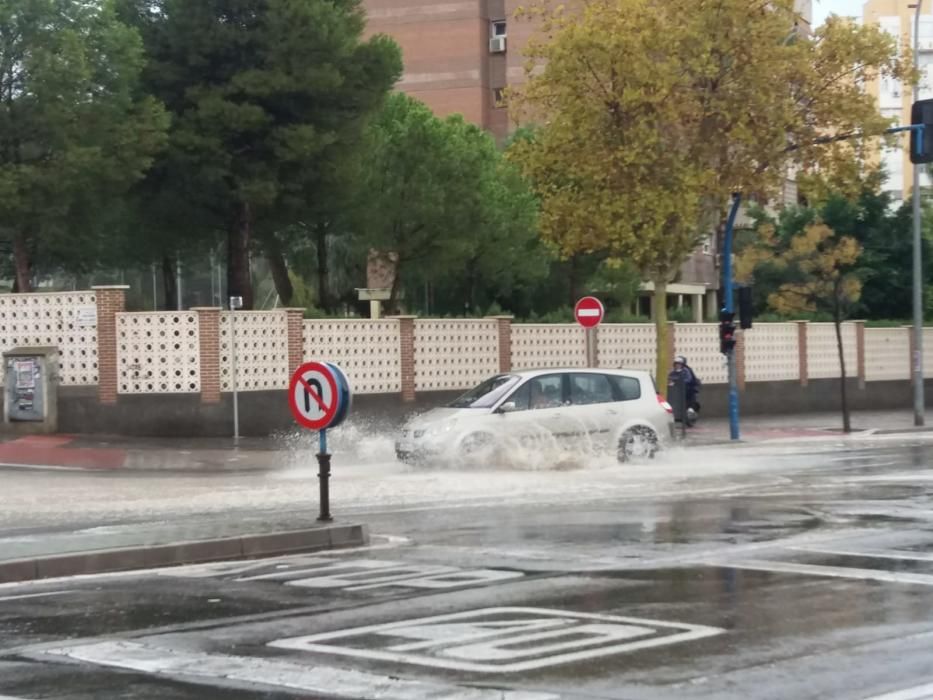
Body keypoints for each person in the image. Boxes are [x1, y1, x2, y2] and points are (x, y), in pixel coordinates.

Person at [671, 355, 701, 423]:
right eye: (676, 364)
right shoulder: (673, 372)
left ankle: (691, 411)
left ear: (682, 365)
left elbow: (689, 379)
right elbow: (669, 378)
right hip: (677, 391)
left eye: (679, 364)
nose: (677, 366)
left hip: (688, 390)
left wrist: (680, 381)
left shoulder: (686, 371)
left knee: (690, 400)